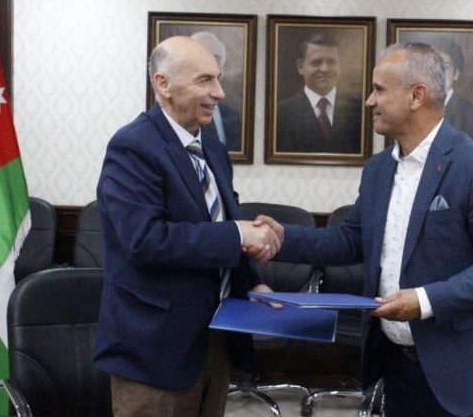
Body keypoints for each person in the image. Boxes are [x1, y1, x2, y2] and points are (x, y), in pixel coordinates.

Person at [261, 43, 473, 416]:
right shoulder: (379, 168)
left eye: (379, 89)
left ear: (417, 96)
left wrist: (424, 301)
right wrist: (281, 238)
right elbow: (352, 240)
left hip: (465, 376)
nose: (369, 101)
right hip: (396, 370)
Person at [92, 36, 281, 417]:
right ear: (163, 84)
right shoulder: (133, 146)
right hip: (156, 352)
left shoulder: (212, 148)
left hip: (215, 340)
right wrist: (238, 234)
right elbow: (145, 240)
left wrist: (253, 282)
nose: (219, 92)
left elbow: (218, 223)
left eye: (218, 79)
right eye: (205, 80)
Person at [276, 31, 363, 154]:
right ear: (300, 67)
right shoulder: (281, 113)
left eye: (331, 62)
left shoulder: (359, 110)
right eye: (316, 63)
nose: (324, 69)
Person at [191, 31, 242, 152]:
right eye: (201, 57)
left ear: (222, 69)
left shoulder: (232, 117)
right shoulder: (172, 116)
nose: (208, 65)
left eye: (215, 59)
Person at [427, 35, 473, 143]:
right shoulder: (412, 108)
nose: (438, 73)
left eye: (445, 67)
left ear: (456, 74)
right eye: (432, 66)